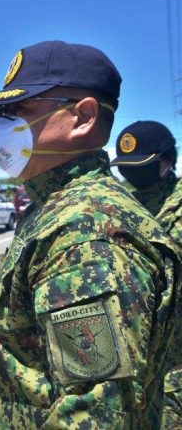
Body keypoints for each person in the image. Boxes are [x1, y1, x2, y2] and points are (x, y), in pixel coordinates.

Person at [0, 40, 181, 428]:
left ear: (83, 117)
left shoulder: (87, 232)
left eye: (21, 110)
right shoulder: (54, 208)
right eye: (3, 113)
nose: (4, 127)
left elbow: (93, 414)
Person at [110, 120, 182, 428]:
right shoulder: (124, 201)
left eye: (142, 167)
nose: (132, 174)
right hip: (135, 345)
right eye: (126, 167)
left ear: (168, 162)